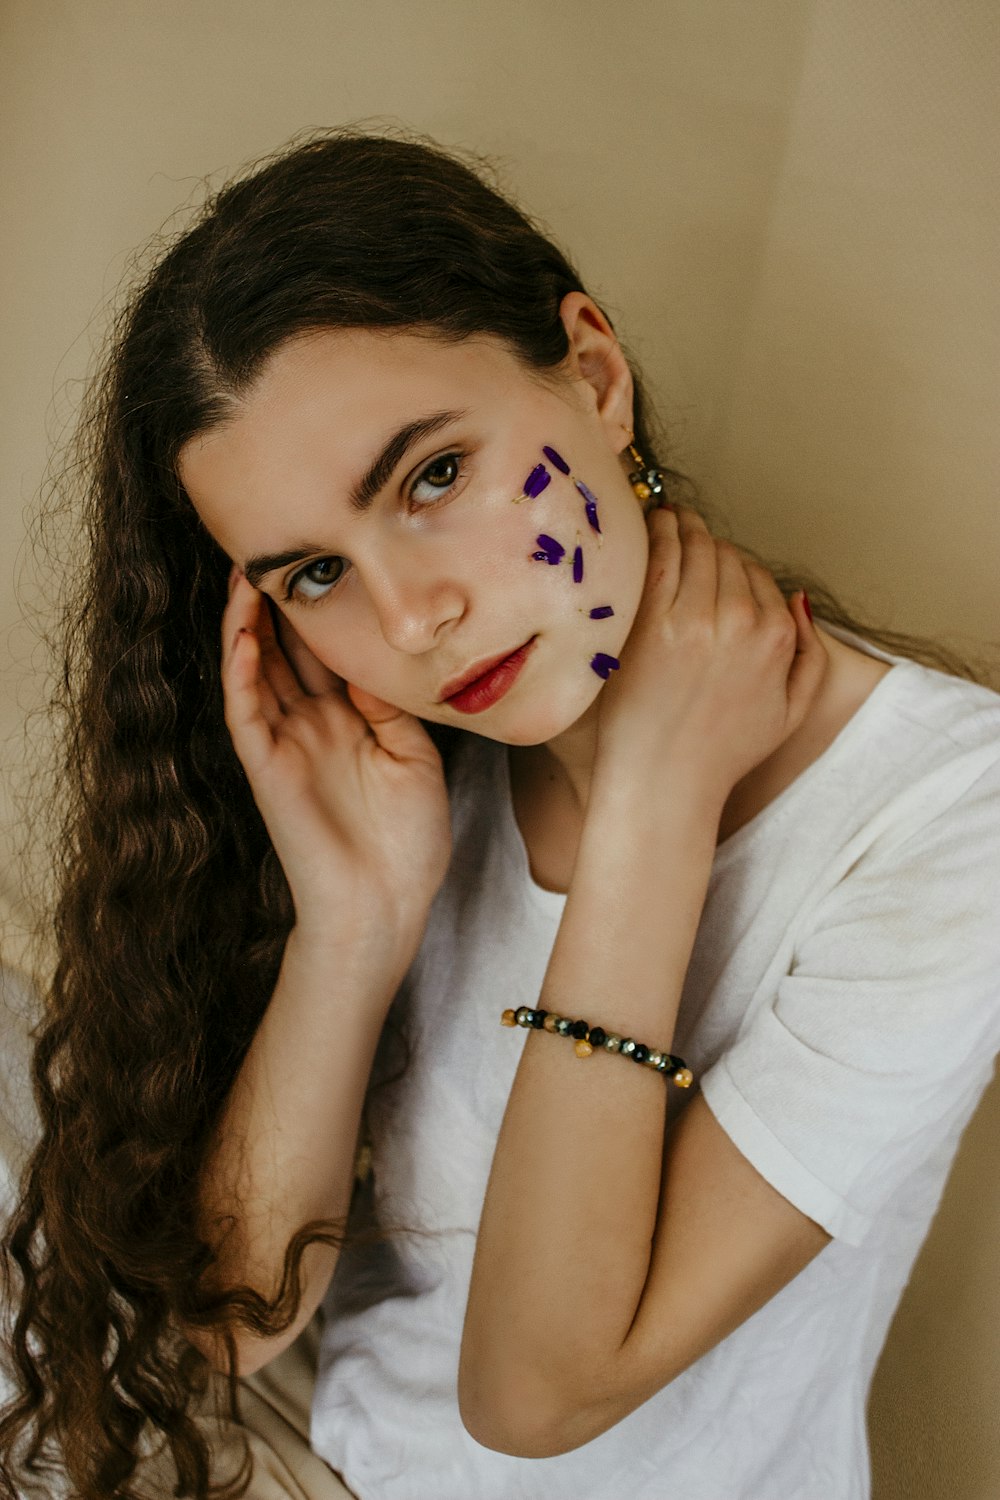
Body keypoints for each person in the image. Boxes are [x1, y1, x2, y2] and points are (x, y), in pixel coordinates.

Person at [1, 126, 998, 1500]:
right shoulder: (416, 757)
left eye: (431, 477)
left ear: (593, 373)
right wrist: (351, 927)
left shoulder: (956, 814)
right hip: (321, 1462)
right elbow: (224, 1328)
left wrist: (656, 804)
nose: (410, 618)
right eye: (311, 575)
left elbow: (536, 1395)